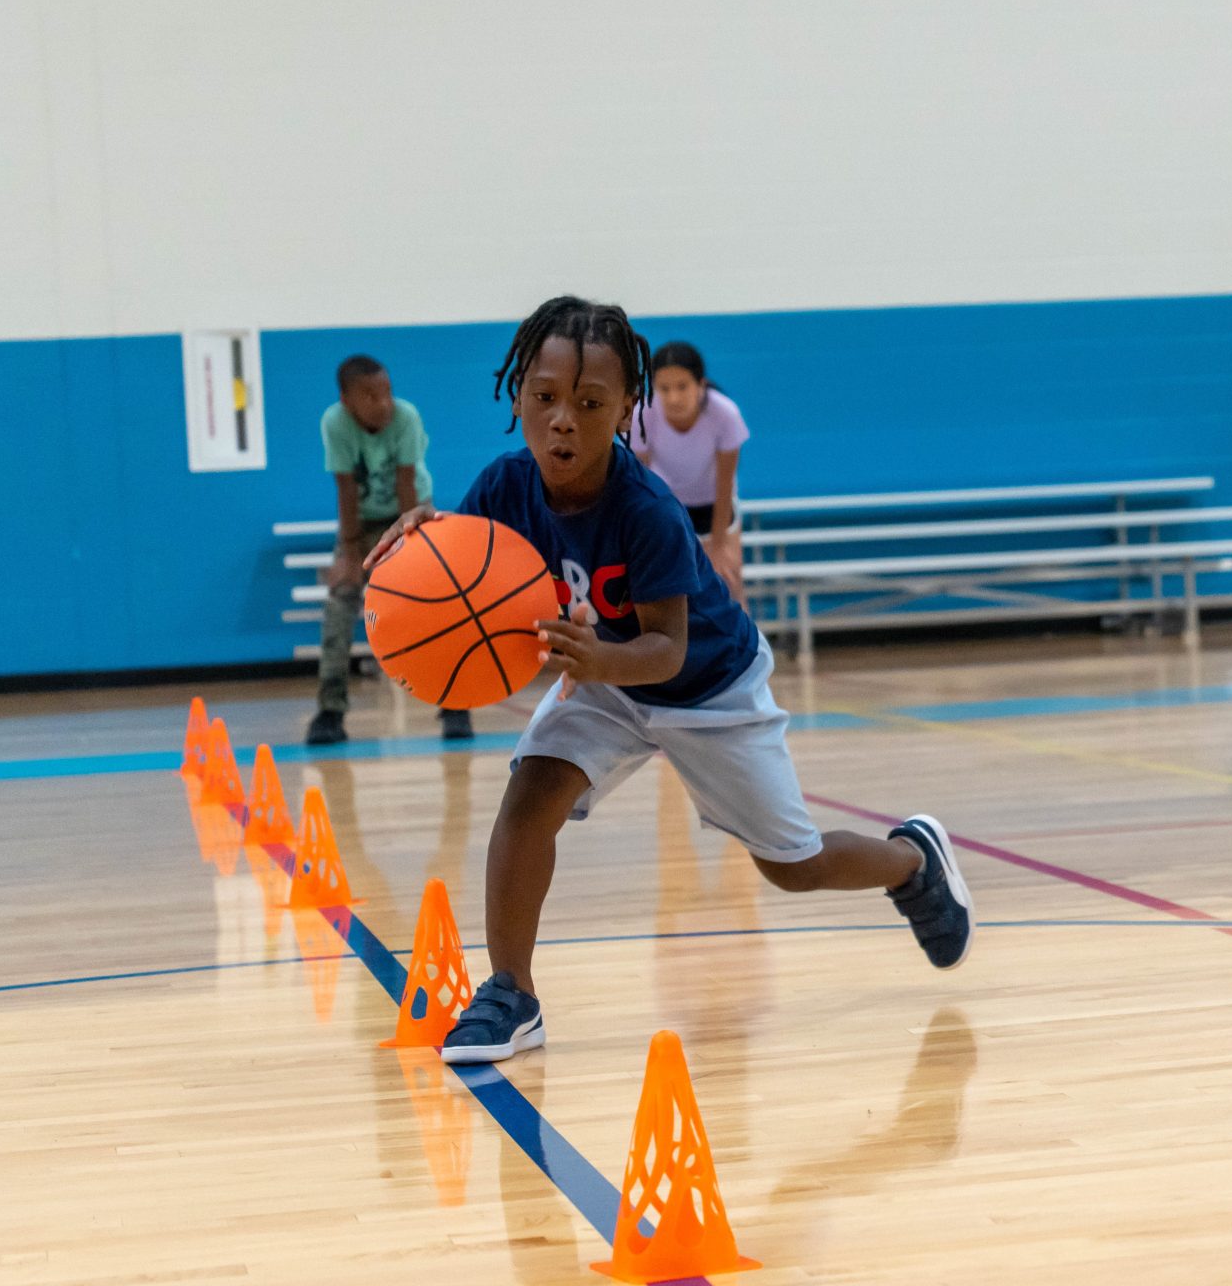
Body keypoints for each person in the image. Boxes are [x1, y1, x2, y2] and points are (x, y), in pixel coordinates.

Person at [363, 296, 973, 1065]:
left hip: (707, 686)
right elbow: (470, 581)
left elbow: (668, 650)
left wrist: (597, 662)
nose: (562, 420)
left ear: (625, 412)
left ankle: (911, 859)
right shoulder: (505, 489)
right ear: (517, 396)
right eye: (545, 398)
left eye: (589, 404)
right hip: (607, 683)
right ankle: (511, 994)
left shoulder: (645, 509)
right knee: (525, 806)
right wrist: (426, 540)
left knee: (793, 867)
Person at [310, 357, 470, 745]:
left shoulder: (406, 418)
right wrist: (349, 554)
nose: (383, 403)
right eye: (370, 395)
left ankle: (455, 704)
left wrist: (409, 548)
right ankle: (330, 711)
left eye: (387, 392)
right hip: (361, 524)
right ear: (347, 401)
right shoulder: (335, 423)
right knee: (340, 600)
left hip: (411, 510)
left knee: (440, 601)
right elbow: (345, 488)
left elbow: (406, 485)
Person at [631, 341, 749, 600]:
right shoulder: (644, 415)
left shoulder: (724, 414)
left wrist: (718, 544)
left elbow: (725, 482)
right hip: (668, 506)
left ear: (700, 385)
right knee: (671, 589)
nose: (673, 397)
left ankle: (744, 640)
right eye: (664, 388)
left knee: (728, 582)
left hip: (714, 505)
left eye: (682, 387)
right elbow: (639, 479)